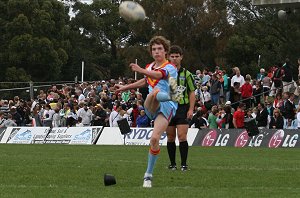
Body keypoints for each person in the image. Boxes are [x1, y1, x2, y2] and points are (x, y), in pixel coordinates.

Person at [115, 36, 179, 188]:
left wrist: (140, 70)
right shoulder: (149, 67)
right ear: (151, 52)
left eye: (160, 49)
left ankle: (148, 176)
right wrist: (124, 87)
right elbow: (145, 81)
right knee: (153, 93)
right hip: (152, 105)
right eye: (154, 49)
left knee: (154, 140)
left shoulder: (170, 67)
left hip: (167, 107)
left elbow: (157, 75)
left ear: (165, 51)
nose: (157, 52)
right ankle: (169, 94)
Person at [165, 45, 196, 171]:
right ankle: (172, 164)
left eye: (177, 56)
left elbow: (192, 92)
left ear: (181, 57)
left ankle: (184, 164)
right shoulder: (165, 73)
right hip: (168, 107)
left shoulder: (187, 74)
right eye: (172, 56)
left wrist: (191, 109)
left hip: (182, 107)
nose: (174, 59)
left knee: (182, 136)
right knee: (170, 136)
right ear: (168, 57)